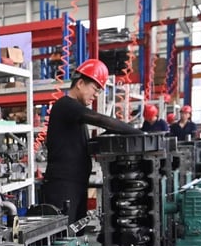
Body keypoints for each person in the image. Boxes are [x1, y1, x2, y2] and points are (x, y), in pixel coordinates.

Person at [42, 58, 142, 223]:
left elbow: (79, 145)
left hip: (76, 183)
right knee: (63, 237)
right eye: (95, 89)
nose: (95, 95)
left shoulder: (74, 112)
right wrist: (138, 133)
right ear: (80, 83)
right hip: (63, 185)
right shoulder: (66, 106)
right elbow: (102, 120)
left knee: (77, 234)